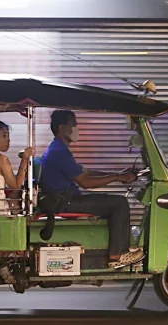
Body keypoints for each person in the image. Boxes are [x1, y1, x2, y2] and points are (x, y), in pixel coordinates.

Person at [40, 109, 143, 268]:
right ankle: (118, 254)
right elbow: (85, 182)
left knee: (113, 201)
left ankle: (117, 249)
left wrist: (117, 174)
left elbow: (84, 172)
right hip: (66, 202)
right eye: (73, 124)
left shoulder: (58, 149)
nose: (77, 128)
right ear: (62, 128)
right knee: (119, 203)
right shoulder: (59, 152)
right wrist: (116, 178)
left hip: (67, 198)